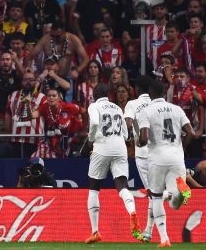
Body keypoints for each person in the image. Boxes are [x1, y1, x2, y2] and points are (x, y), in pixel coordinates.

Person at [137, 80, 195, 248]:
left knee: (155, 197)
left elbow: (144, 137)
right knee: (174, 201)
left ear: (149, 92)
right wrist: (180, 148)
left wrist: (140, 143)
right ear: (164, 92)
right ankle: (178, 193)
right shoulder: (176, 109)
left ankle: (164, 239)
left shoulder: (146, 111)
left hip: (157, 158)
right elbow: (191, 132)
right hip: (177, 157)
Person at [84, 83, 141, 244]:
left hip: (102, 147)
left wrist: (91, 139)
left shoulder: (94, 106)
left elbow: (94, 123)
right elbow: (125, 133)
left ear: (95, 95)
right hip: (120, 148)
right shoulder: (117, 108)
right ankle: (132, 211)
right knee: (122, 185)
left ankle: (95, 231)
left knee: (94, 188)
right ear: (108, 95)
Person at [124, 75, 154, 242]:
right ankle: (148, 232)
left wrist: (128, 136)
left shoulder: (132, 104)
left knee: (153, 194)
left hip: (143, 154)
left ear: (137, 89)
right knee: (154, 193)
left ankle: (149, 232)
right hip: (160, 152)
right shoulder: (159, 104)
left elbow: (128, 123)